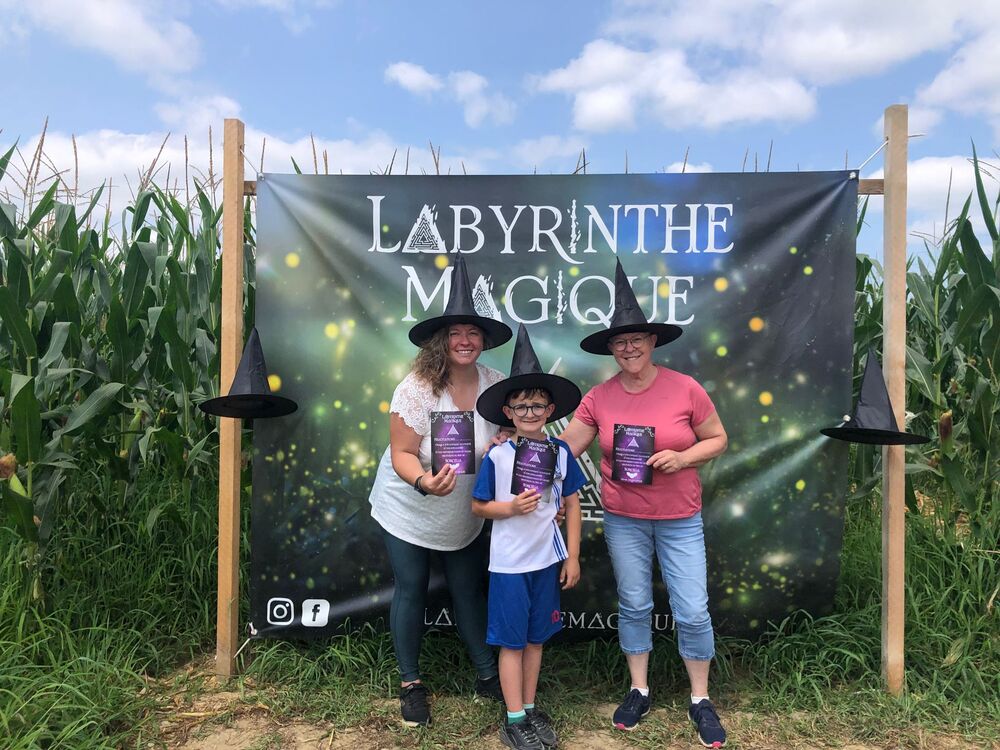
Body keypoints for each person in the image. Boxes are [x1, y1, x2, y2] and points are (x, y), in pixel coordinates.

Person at [560, 260, 730, 749]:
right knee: (634, 604)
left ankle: (701, 698)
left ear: (653, 342)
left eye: (636, 338)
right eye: (619, 341)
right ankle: (639, 689)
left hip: (680, 519)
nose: (628, 347)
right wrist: (515, 451)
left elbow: (717, 439)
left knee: (693, 610)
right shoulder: (600, 397)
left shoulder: (685, 388)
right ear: (611, 348)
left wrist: (683, 457)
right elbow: (567, 447)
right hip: (624, 518)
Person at [368, 256, 513, 728]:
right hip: (411, 503)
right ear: (442, 340)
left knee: (468, 589)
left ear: (483, 339)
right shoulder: (416, 387)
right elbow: (402, 453)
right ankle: (411, 684)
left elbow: (514, 435)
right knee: (411, 587)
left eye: (473, 332)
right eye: (456, 333)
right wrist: (423, 481)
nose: (466, 341)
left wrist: (505, 441)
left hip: (464, 510)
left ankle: (487, 675)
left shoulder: (496, 384)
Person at [472, 324, 586, 750]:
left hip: (545, 562)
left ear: (551, 409)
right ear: (508, 413)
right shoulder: (498, 456)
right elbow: (479, 506)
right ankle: (514, 716)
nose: (530, 413)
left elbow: (571, 502)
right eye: (521, 407)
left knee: (537, 638)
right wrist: (510, 508)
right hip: (509, 566)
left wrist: (572, 556)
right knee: (511, 641)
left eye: (538, 405)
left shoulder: (559, 453)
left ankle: (531, 707)